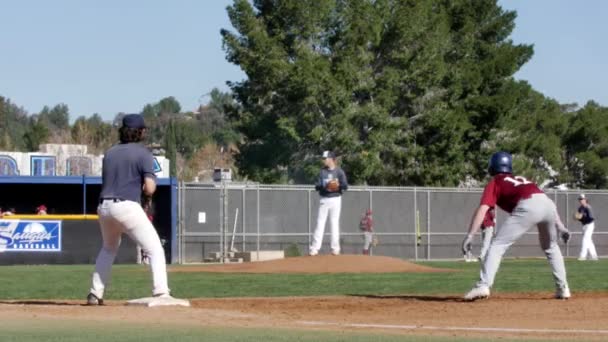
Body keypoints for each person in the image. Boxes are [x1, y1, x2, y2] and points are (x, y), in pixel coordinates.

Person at [87, 113, 174, 305]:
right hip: (126, 206)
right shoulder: (143, 153)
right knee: (154, 249)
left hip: (104, 206)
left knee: (108, 249)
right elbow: (149, 187)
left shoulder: (110, 153)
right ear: (140, 132)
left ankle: (95, 293)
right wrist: (147, 194)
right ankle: (161, 293)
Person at [462, 151, 571, 301]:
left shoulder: (495, 182)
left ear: (493, 166)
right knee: (551, 247)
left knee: (497, 244)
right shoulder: (522, 180)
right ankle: (563, 289)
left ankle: (483, 285)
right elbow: (544, 202)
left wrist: (470, 235)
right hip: (548, 204)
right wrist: (561, 227)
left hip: (528, 205)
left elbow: (483, 209)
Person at [309, 151, 348, 256]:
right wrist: (325, 185)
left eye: (325, 158)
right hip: (324, 199)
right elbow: (316, 186)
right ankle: (315, 248)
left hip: (336, 199)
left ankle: (335, 249)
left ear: (331, 159)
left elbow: (345, 186)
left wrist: (336, 186)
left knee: (334, 223)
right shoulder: (322, 172)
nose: (324, 160)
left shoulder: (339, 171)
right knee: (320, 223)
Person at [575, 194, 598, 261]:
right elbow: (579, 218)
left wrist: (582, 217)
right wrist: (577, 218)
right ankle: (594, 256)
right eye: (580, 199)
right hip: (584, 226)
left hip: (590, 225)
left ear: (585, 199)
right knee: (589, 241)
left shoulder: (588, 207)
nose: (581, 200)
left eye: (582, 199)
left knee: (585, 239)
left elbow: (591, 218)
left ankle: (583, 256)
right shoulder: (580, 208)